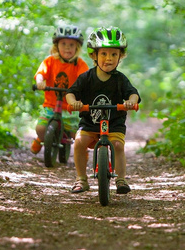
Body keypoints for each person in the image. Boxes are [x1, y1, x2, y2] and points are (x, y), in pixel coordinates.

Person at [66, 27, 140, 194]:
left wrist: (130, 102)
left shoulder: (120, 79)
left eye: (114, 54)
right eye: (104, 54)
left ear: (120, 56)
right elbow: (71, 92)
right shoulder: (86, 77)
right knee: (79, 142)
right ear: (94, 55)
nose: (109, 58)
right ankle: (81, 179)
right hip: (90, 122)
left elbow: (133, 93)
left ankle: (121, 179)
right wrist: (74, 102)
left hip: (114, 123)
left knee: (117, 145)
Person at [31, 25, 89, 154]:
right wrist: (40, 82)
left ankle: (82, 151)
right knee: (41, 128)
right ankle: (40, 139)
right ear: (57, 46)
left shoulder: (79, 64)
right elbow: (41, 73)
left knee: (76, 133)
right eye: (63, 44)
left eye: (71, 45)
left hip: (70, 107)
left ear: (77, 48)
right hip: (51, 105)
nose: (67, 47)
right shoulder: (50, 61)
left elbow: (85, 77)